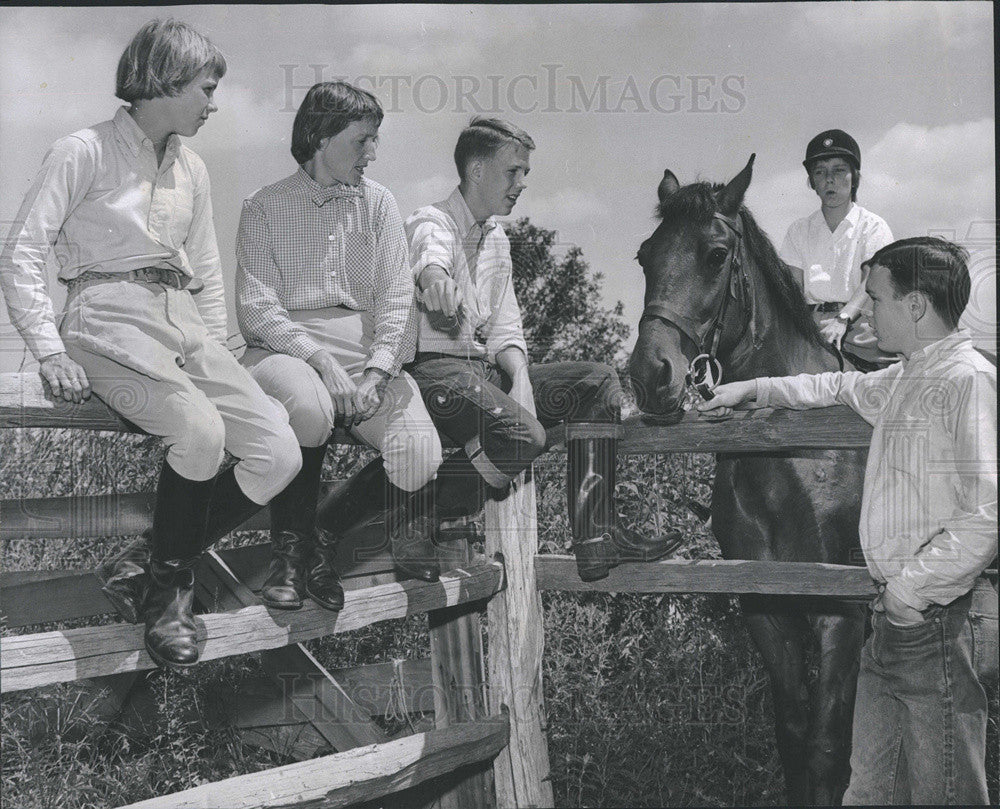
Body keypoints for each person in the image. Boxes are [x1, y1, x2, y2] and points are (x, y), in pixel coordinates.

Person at [0, 20, 302, 673]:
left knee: (279, 453)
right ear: (165, 81)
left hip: (182, 318)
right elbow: (23, 247)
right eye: (207, 86)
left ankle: (143, 563)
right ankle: (170, 594)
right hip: (104, 314)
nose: (215, 102)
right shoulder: (83, 150)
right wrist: (48, 348)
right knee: (198, 433)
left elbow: (208, 271)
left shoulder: (191, 167)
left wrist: (226, 356)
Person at [698, 237, 998, 805]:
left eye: (876, 298)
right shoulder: (911, 375)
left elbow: (988, 511)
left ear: (915, 307)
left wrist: (911, 591)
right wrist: (753, 387)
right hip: (888, 624)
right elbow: (836, 384)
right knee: (868, 791)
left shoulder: (965, 380)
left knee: (945, 790)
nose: (864, 312)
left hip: (931, 623)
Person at [401, 116, 682, 582]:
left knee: (597, 382)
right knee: (524, 436)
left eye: (525, 174)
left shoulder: (497, 240)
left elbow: (506, 331)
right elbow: (430, 262)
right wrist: (435, 282)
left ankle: (597, 538)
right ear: (475, 171)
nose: (521, 184)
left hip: (481, 374)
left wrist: (522, 380)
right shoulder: (431, 221)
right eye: (513, 172)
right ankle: (423, 509)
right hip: (434, 374)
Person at [236, 81, 444, 600]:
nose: (373, 154)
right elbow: (257, 308)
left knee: (419, 453)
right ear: (320, 136)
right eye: (362, 141)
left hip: (366, 347)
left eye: (377, 140)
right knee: (309, 409)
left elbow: (398, 300)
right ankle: (290, 560)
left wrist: (376, 372)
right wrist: (322, 362)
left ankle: (319, 542)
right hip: (284, 345)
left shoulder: (380, 205)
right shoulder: (262, 206)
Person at [779, 129, 894, 369]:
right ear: (812, 183)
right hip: (809, 324)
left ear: (855, 178)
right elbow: (792, 290)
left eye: (839, 170)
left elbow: (870, 282)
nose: (829, 179)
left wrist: (842, 319)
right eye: (820, 172)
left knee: (890, 372)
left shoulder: (873, 226)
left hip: (860, 325)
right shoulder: (798, 230)